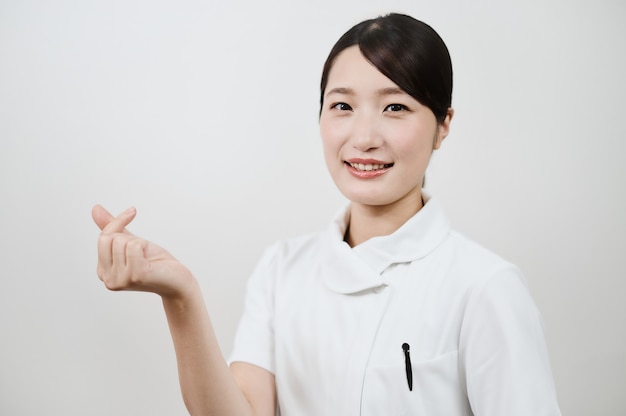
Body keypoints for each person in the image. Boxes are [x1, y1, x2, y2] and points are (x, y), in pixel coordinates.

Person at [92, 13, 562, 415]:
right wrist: (180, 297)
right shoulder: (282, 270)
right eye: (342, 106)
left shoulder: (485, 287)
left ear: (443, 125)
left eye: (395, 106)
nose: (364, 136)